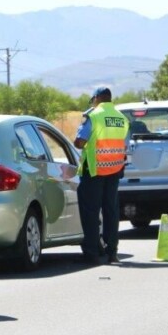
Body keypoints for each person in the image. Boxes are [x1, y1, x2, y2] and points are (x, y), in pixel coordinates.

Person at [73, 86, 129, 264]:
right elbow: (124, 144)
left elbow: (79, 143)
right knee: (111, 211)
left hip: (94, 169)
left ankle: (92, 252)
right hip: (114, 169)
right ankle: (112, 251)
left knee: (90, 212)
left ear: (97, 98)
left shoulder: (93, 116)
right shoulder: (122, 118)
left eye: (92, 99)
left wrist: (79, 137)